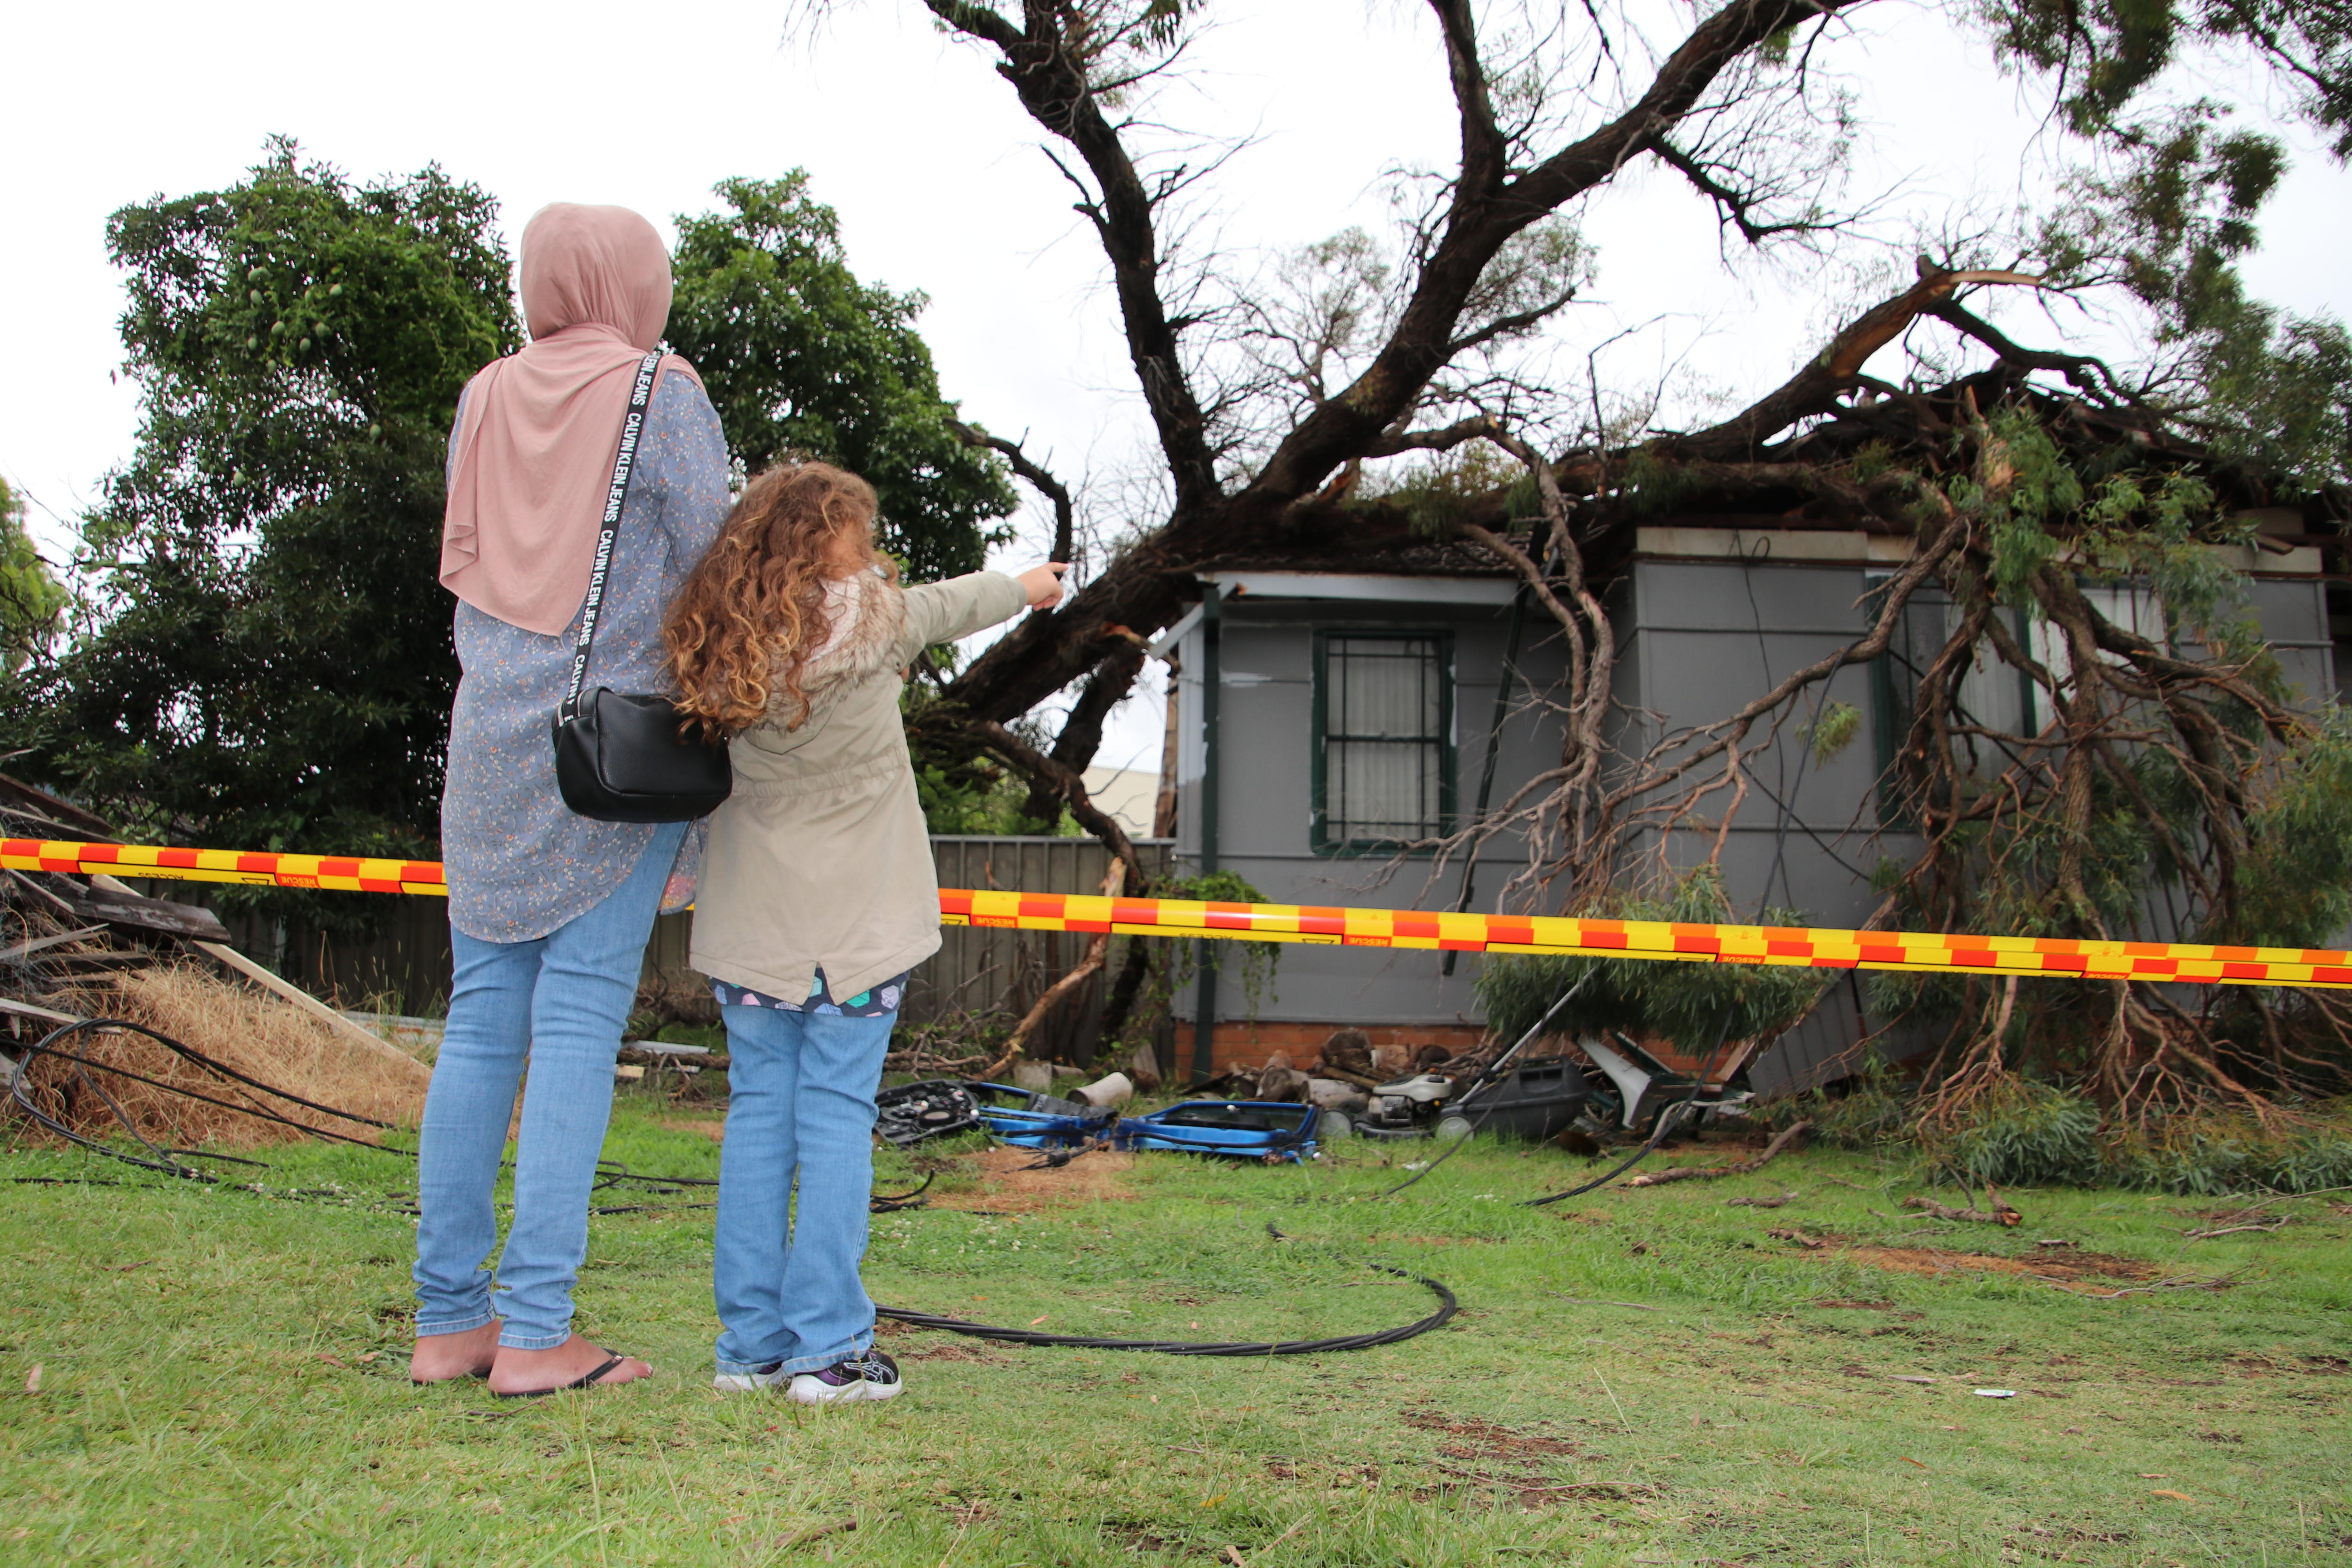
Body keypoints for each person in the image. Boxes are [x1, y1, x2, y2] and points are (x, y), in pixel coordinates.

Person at [409, 205, 731, 1397]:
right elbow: (717, 554)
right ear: (635, 284)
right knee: (581, 1022)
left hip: (489, 745)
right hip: (609, 756)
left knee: (481, 1022)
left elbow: (470, 554)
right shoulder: (663, 389)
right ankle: (538, 1328)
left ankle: (450, 1322)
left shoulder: (483, 392)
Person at [664, 461, 1065, 1403]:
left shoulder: (717, 639)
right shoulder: (881, 621)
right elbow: (961, 600)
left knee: (760, 1114)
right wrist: (1035, 584)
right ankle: (829, 1351)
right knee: (838, 1113)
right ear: (840, 536)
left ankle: (751, 1347)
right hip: (860, 924)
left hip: (751, 920)